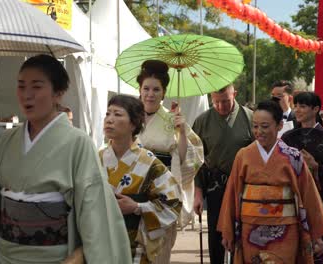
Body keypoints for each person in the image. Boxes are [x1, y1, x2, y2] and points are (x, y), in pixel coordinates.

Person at [0, 55, 132, 263]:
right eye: (21, 86)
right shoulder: (5, 142)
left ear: (58, 93)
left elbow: (95, 217)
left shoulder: (78, 143)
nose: (27, 95)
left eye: (36, 86)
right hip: (5, 256)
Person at [217, 100, 323, 263]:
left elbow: (309, 194)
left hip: (285, 230)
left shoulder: (293, 156)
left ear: (279, 125)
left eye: (265, 126)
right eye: (255, 126)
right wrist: (228, 231)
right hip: (251, 228)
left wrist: (317, 234)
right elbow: (231, 194)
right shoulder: (243, 155)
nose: (259, 131)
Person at [135, 60, 204, 263]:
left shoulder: (172, 119)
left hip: (161, 194)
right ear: (139, 90)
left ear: (163, 93)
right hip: (132, 189)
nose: (150, 94)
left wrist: (182, 130)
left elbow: (186, 159)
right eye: (146, 88)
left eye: (156, 89)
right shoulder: (130, 116)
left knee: (159, 252)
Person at [100, 94, 182, 263]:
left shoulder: (150, 163)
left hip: (135, 246)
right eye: (108, 114)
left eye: (117, 114)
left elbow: (173, 202)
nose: (109, 119)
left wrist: (138, 207)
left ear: (133, 123)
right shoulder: (95, 158)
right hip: (100, 242)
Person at [192, 85, 254, 263]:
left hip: (244, 185)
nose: (221, 106)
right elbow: (197, 160)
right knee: (216, 233)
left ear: (235, 94)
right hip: (215, 185)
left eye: (225, 101)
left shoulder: (249, 117)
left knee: (243, 232)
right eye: (216, 102)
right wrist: (197, 193)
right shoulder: (202, 121)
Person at [281, 92, 323, 264]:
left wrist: (317, 167)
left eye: (303, 106)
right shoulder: (287, 137)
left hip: (319, 198)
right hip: (293, 198)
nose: (298, 110)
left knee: (318, 246)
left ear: (315, 109)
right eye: (296, 106)